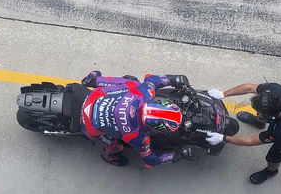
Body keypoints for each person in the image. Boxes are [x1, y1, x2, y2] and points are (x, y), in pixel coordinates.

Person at [80, 71, 224, 167]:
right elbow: (150, 161)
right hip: (89, 125)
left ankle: (92, 79)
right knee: (117, 146)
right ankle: (109, 157)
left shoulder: (144, 94)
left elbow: (152, 79)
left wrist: (174, 79)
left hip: (95, 97)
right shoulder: (138, 136)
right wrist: (178, 154)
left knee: (132, 84)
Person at [207, 83, 281, 184]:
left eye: (259, 114)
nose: (257, 113)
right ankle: (259, 123)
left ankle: (271, 171)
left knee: (273, 157)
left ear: (270, 118)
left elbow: (251, 141)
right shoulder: (275, 91)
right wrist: (222, 94)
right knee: (262, 116)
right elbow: (249, 87)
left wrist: (224, 138)